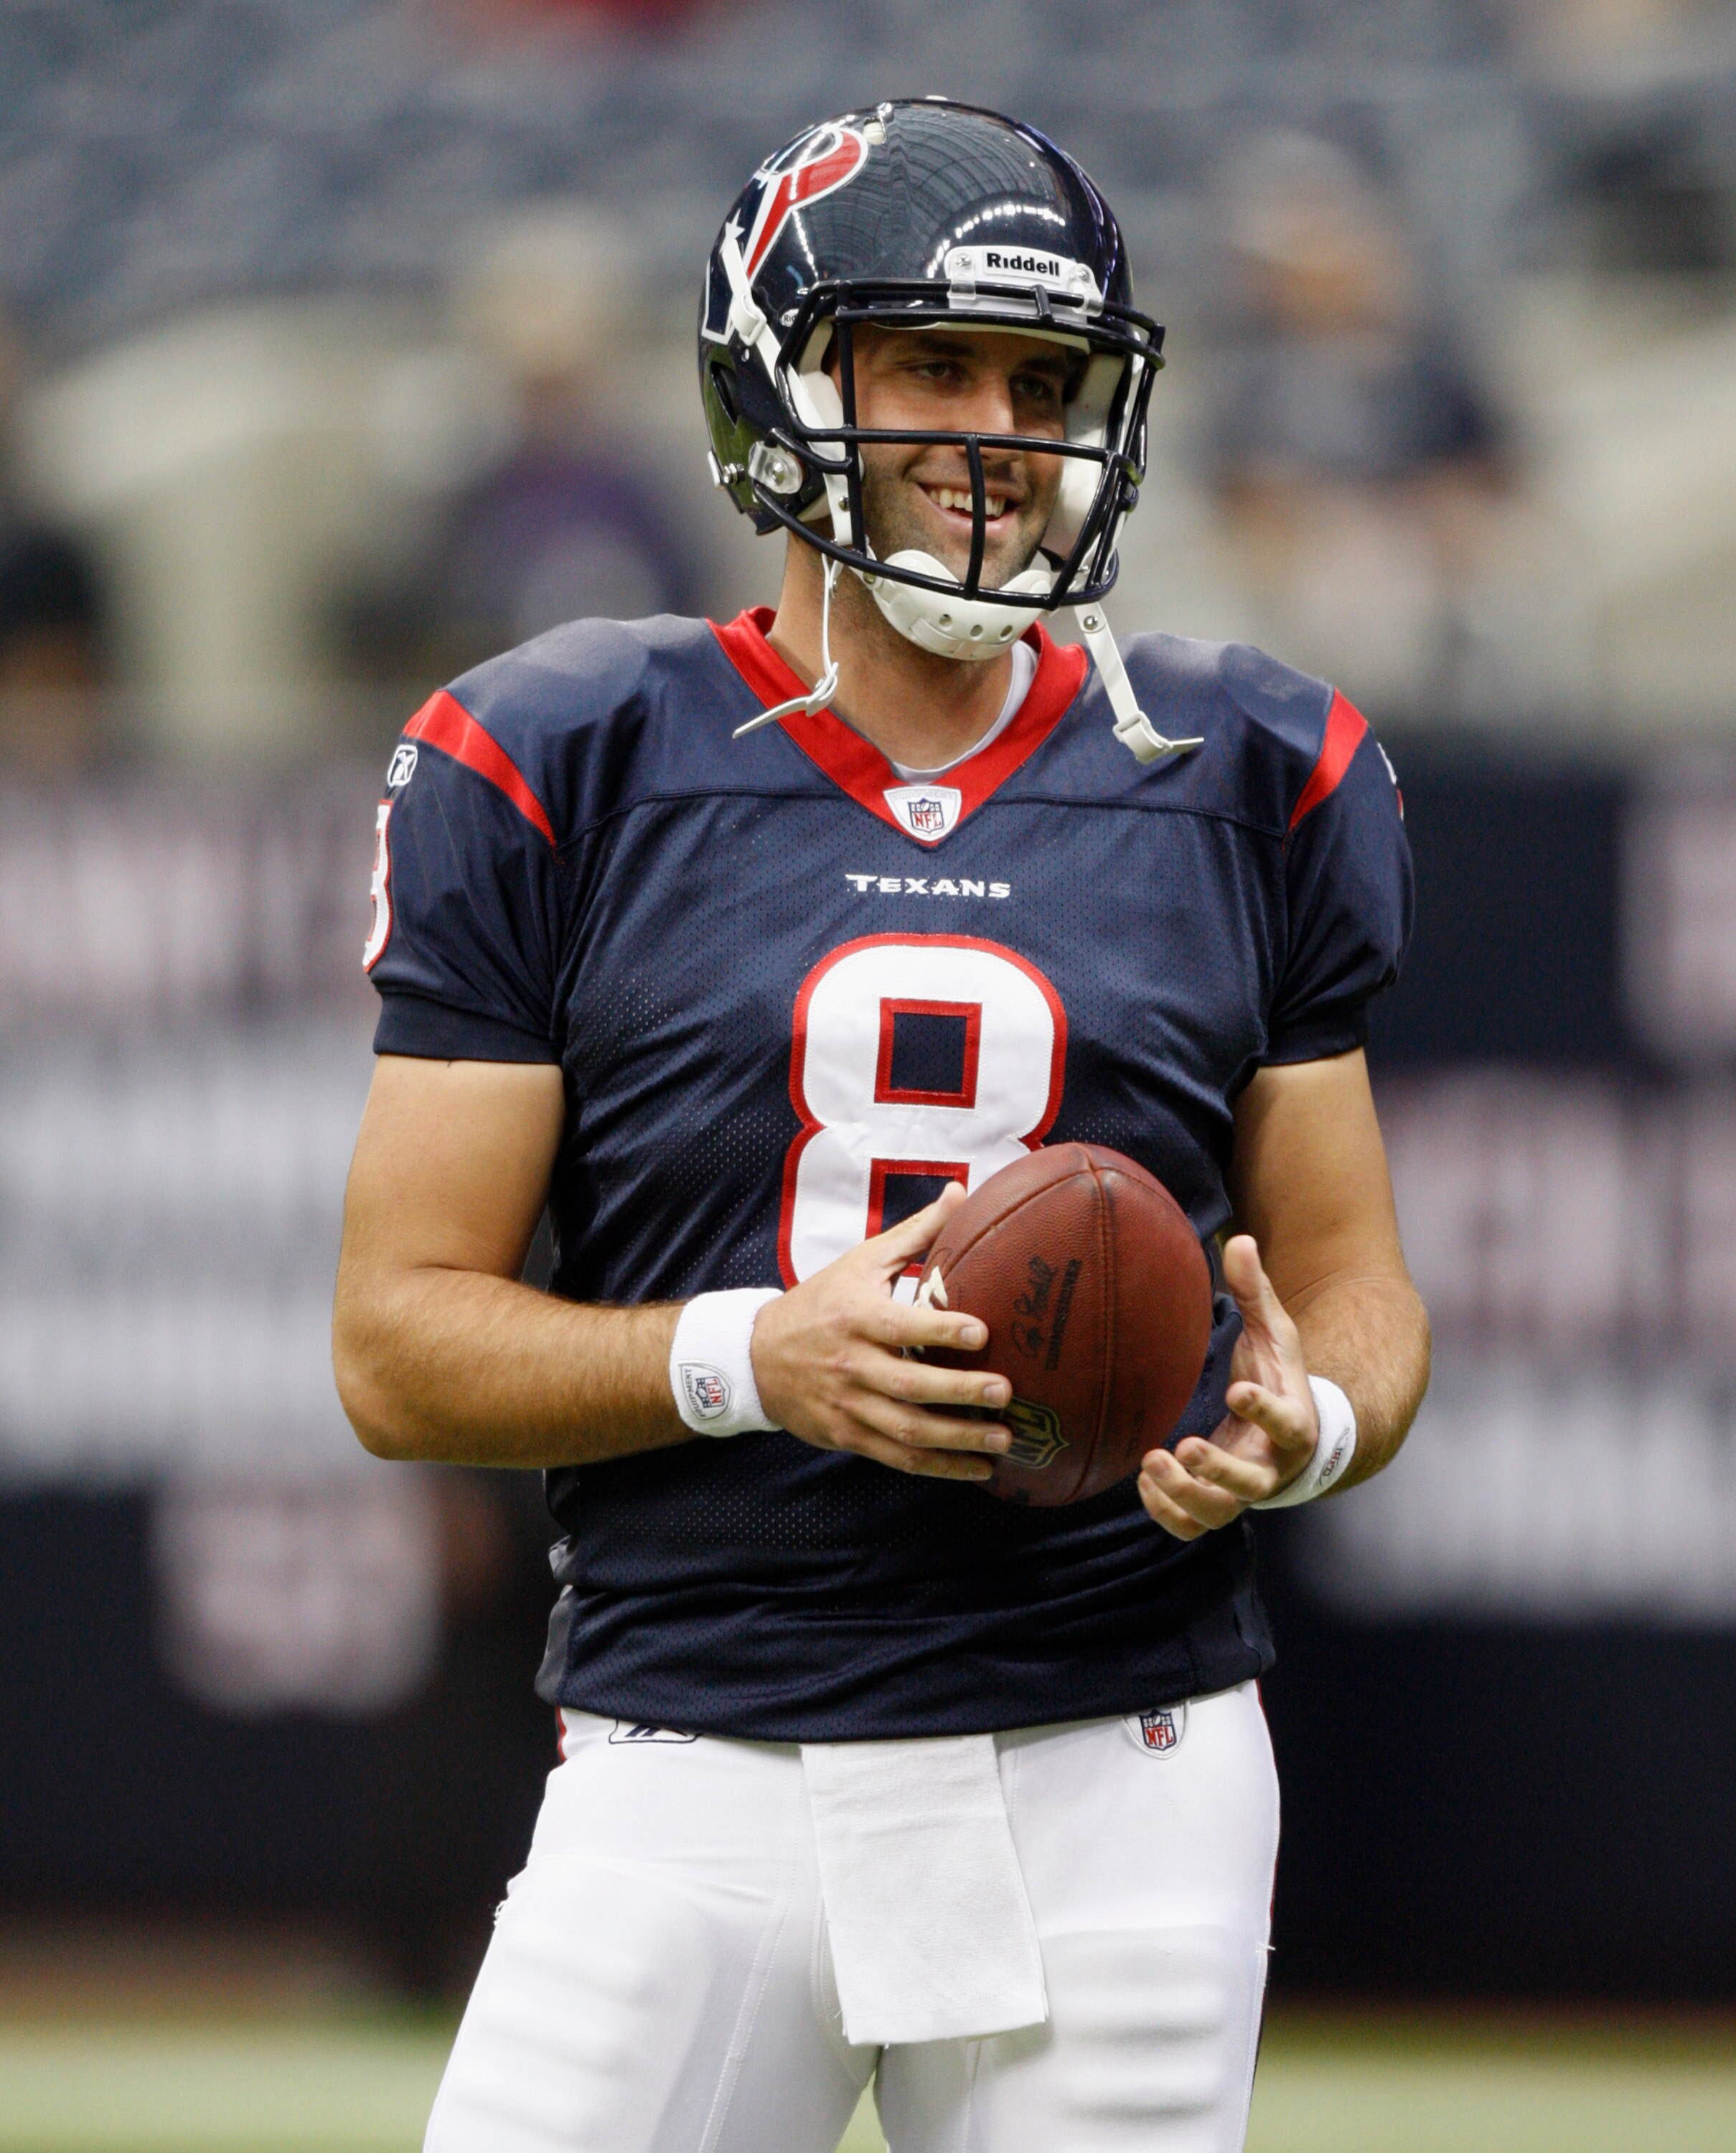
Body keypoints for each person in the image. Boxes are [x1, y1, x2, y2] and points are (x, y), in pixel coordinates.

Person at [333, 99, 1428, 2153]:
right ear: (778, 379)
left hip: (1124, 1755)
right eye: (930, 362)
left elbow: (1357, 1287)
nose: (994, 433)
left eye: (1043, 381)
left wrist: (1314, 1425)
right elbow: (397, 1349)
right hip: (696, 1750)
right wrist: (766, 1355)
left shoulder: (1248, 760)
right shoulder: (558, 749)